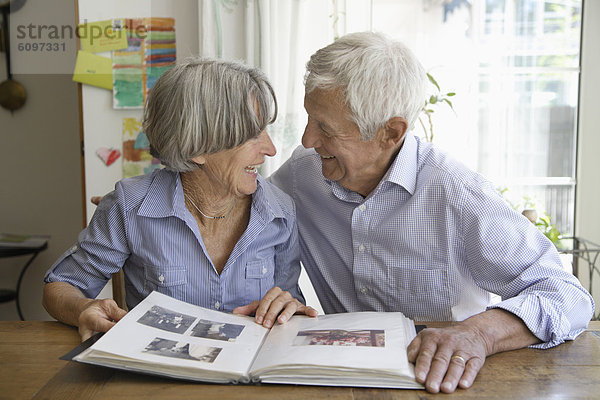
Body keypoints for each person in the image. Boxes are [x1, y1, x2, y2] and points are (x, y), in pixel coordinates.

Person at [263, 32, 594, 393]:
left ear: (391, 132)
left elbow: (567, 295)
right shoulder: (301, 175)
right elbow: (243, 211)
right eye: (310, 119)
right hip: (343, 382)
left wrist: (478, 333)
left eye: (325, 128)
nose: (307, 140)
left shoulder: (458, 194)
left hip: (443, 382)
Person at [42, 57, 317, 342]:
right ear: (196, 147)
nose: (270, 149)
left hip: (249, 379)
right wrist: (84, 307)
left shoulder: (280, 211)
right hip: (161, 378)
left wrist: (289, 307)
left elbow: (290, 303)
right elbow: (60, 286)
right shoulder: (130, 205)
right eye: (252, 136)